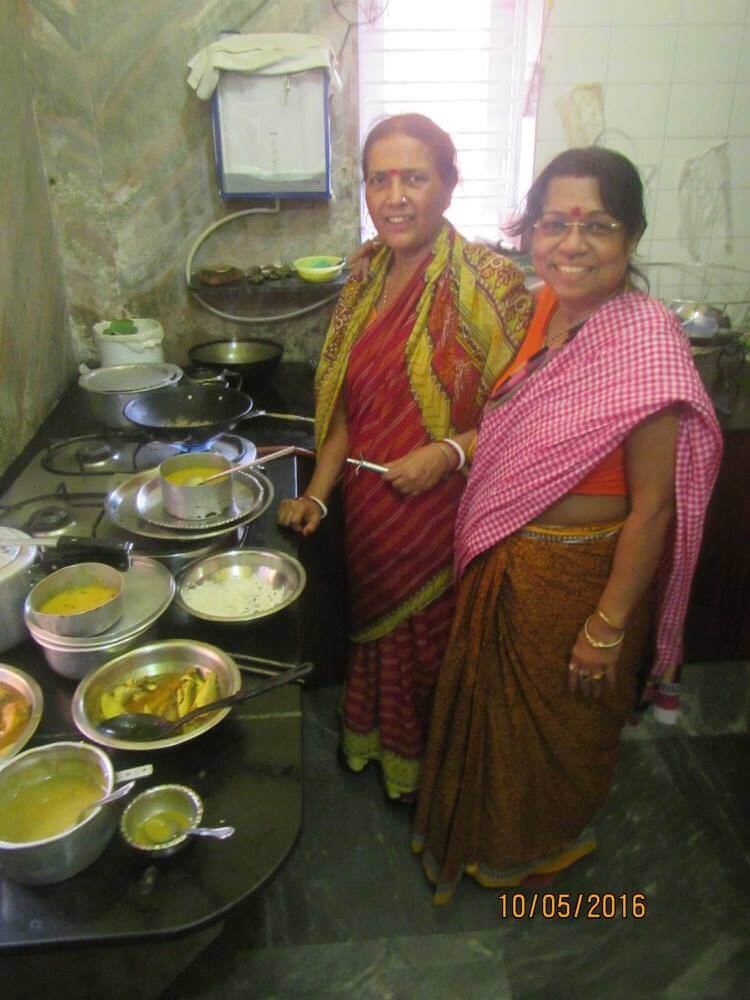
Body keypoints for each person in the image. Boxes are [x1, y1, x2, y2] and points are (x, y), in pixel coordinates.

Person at [411, 147, 723, 902]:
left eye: (598, 226)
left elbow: (653, 509)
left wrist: (608, 626)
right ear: (531, 231)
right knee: (500, 720)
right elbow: (514, 424)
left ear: (632, 236)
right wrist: (451, 451)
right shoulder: (544, 308)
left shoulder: (645, 344)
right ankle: (486, 836)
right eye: (554, 224)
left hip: (584, 575)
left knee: (563, 729)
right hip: (510, 556)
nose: (572, 244)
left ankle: (544, 843)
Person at [277, 114, 531, 801]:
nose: (394, 197)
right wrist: (318, 495)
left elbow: (527, 412)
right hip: (371, 508)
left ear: (448, 185)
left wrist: (448, 453)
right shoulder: (364, 279)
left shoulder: (491, 282)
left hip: (452, 511)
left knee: (433, 645)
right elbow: (346, 411)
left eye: (414, 178)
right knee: (377, 634)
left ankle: (437, 776)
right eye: (378, 179)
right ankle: (381, 748)